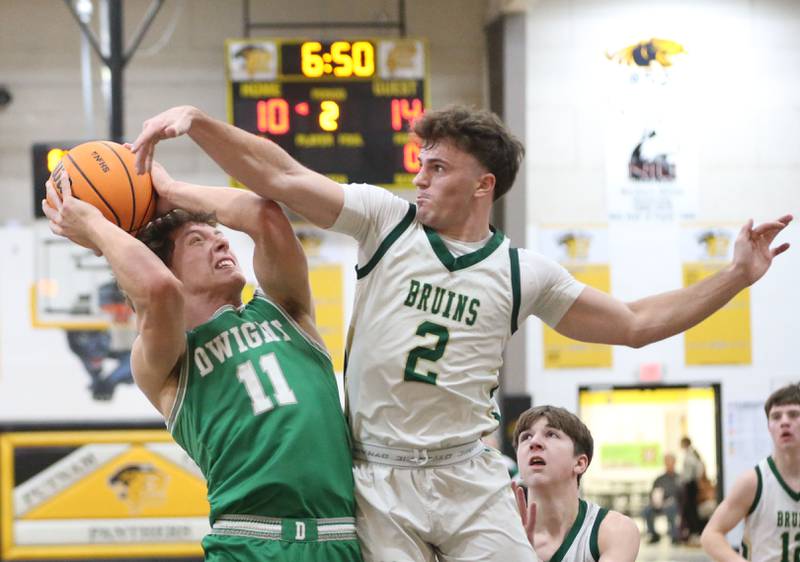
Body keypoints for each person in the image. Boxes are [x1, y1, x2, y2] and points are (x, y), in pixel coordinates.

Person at [131, 104, 792, 562]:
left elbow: (636, 325)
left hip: (470, 476)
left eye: (437, 167)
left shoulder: (522, 272)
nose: (419, 176)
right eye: (421, 163)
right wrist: (196, 130)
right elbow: (277, 179)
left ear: (484, 185)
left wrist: (736, 276)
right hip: (379, 477)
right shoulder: (386, 220)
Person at [42, 164, 362, 561]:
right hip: (248, 541)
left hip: (341, 537)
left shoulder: (286, 311)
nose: (222, 245)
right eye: (198, 241)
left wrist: (174, 190)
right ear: (169, 266)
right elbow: (158, 289)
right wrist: (94, 224)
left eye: (221, 237)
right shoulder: (163, 359)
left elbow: (264, 216)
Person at [511, 405, 640, 561]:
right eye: (526, 437)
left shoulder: (616, 530)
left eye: (551, 434)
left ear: (580, 463)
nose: (535, 442)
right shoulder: (501, 532)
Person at [701, 383, 800, 561]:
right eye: (776, 417)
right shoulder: (754, 482)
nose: (784, 422)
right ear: (769, 426)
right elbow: (710, 535)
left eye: (793, 414)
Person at [643, 452, 681, 545]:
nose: (668, 464)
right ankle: (653, 535)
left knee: (671, 507)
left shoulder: (679, 478)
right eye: (666, 462)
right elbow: (652, 491)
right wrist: (654, 500)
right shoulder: (659, 479)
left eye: (670, 462)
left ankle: (674, 535)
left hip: (673, 504)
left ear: (674, 463)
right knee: (647, 510)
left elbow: (681, 494)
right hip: (658, 503)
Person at [680, 436, 706, 542]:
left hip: (690, 484)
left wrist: (696, 478)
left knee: (691, 509)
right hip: (690, 483)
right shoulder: (690, 453)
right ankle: (692, 531)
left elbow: (698, 466)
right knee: (689, 509)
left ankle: (695, 531)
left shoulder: (691, 454)